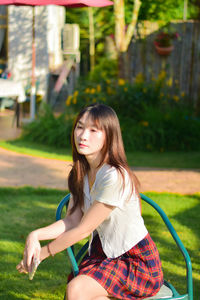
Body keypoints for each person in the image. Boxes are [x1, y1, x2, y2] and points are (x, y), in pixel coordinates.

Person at [17, 103, 163, 299]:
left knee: (76, 290)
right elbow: (72, 221)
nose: (83, 135)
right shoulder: (81, 172)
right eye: (79, 126)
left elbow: (84, 229)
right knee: (83, 293)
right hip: (102, 256)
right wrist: (34, 236)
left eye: (93, 130)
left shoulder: (114, 177)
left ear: (109, 135)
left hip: (135, 262)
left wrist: (43, 253)